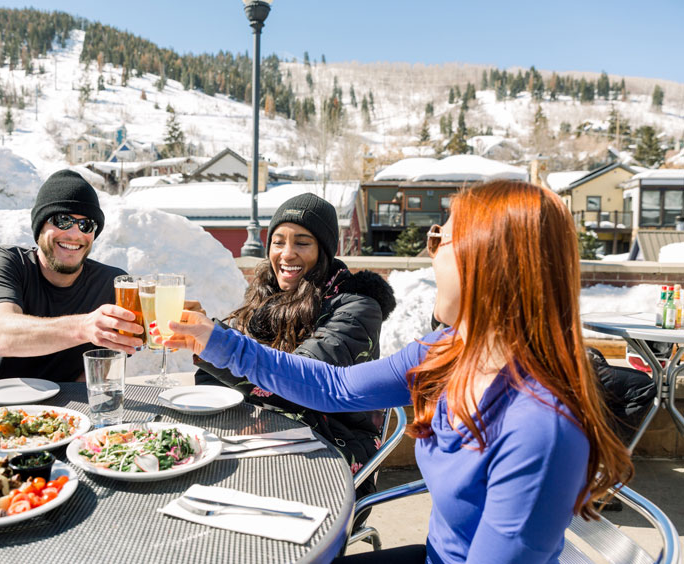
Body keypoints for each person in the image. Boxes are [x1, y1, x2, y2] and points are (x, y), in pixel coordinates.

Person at [162, 180, 634, 563]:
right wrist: (214, 340)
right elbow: (334, 386)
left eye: (438, 239)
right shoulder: (449, 351)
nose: (429, 255)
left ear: (486, 258)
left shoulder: (539, 427)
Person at [193, 193, 396, 503]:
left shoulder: (358, 309)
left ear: (324, 251)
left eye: (302, 242)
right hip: (266, 444)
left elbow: (301, 382)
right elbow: (210, 380)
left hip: (332, 456)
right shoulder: (266, 298)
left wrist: (215, 343)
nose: (286, 254)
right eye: (278, 242)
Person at [0, 170, 144, 387]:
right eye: (62, 220)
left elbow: (97, 372)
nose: (74, 234)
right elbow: (3, 336)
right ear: (39, 227)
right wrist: (84, 327)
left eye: (86, 225)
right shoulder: (6, 262)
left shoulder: (112, 283)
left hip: (58, 415)